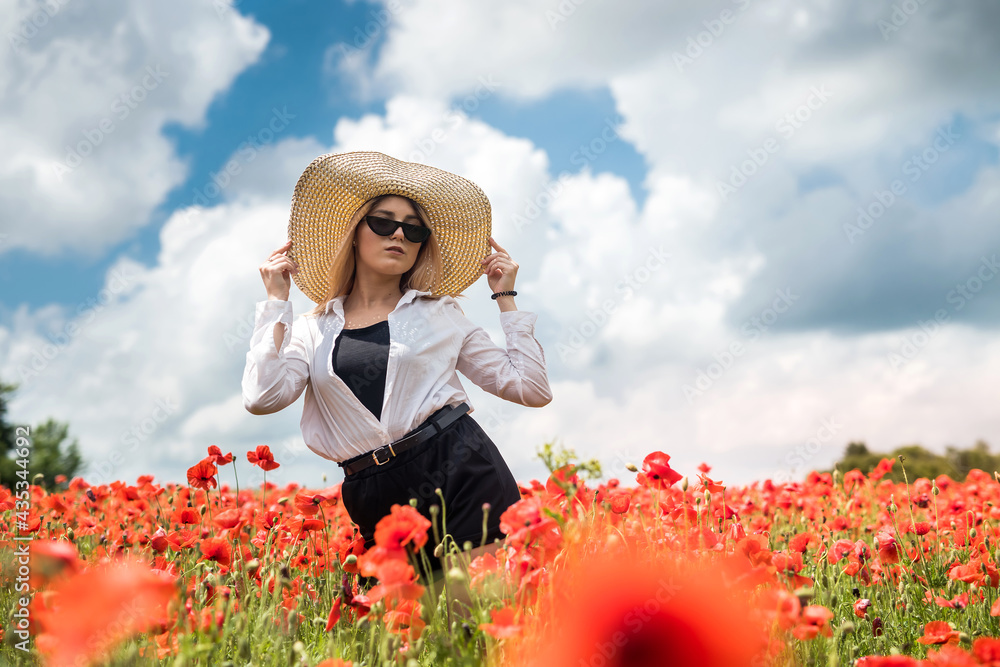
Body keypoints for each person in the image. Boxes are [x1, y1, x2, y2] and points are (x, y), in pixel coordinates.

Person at [241, 151, 552, 584]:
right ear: (354, 234)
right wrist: (277, 304)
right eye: (384, 222)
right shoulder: (312, 329)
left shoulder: (440, 313)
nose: (400, 234)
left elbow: (531, 389)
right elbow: (261, 397)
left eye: (414, 229)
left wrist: (506, 298)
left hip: (460, 466)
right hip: (372, 488)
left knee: (473, 628)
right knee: (403, 641)